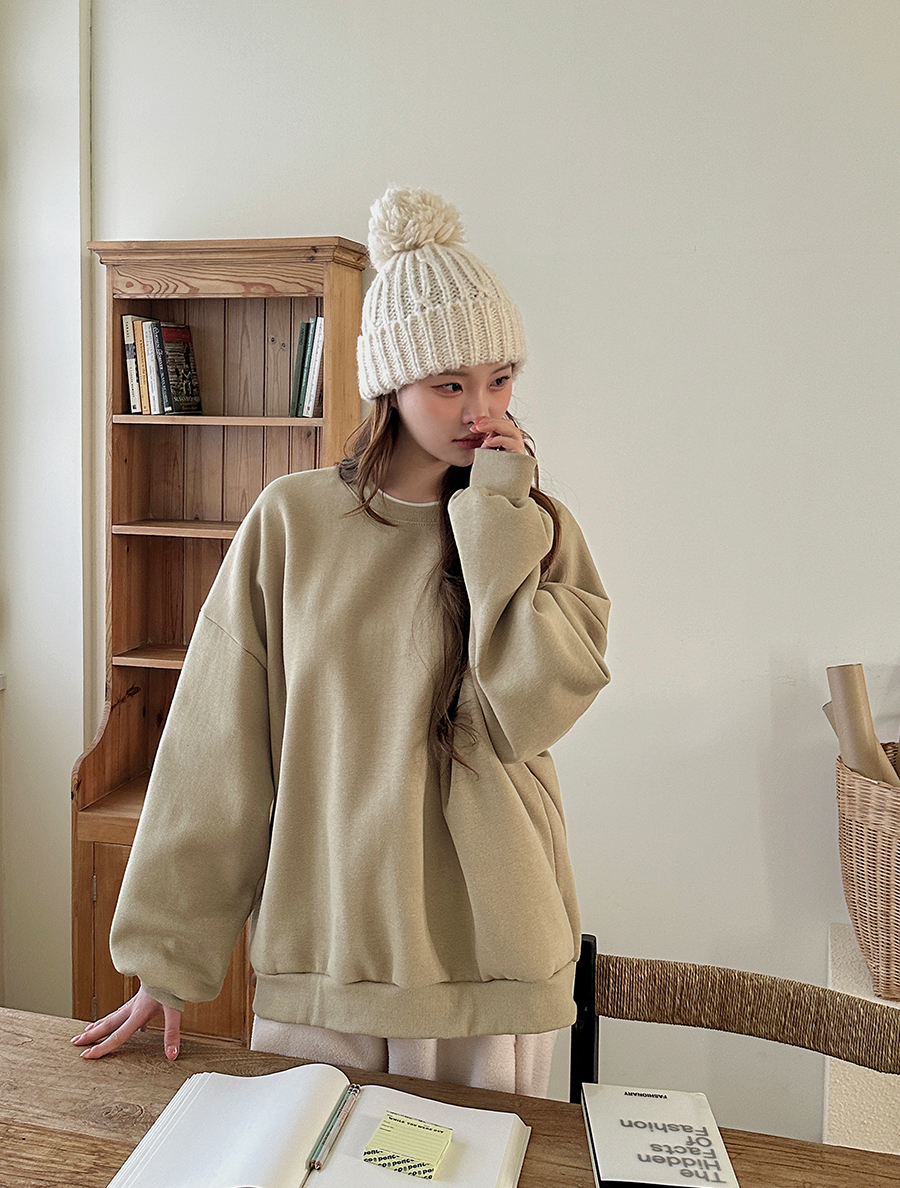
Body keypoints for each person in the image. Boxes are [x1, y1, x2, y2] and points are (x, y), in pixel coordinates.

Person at [72, 187, 610, 1097]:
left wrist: (495, 517)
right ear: (391, 384)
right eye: (450, 383)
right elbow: (217, 743)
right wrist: (168, 960)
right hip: (329, 949)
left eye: (501, 379)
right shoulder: (294, 521)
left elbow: (531, 711)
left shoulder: (534, 525)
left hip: (493, 958)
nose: (481, 408)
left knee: (481, 1160)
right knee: (307, 1154)